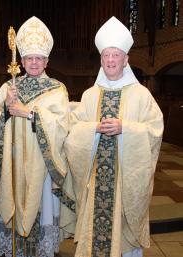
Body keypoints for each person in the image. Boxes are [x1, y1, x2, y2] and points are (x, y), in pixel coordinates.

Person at [65, 16, 164, 257]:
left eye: (116, 55)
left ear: (126, 59)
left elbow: (155, 129)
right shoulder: (90, 95)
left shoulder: (141, 95)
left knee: (123, 238)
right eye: (106, 55)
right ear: (100, 59)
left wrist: (126, 128)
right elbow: (72, 131)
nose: (110, 60)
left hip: (124, 181)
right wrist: (93, 129)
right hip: (95, 179)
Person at [0, 16, 75, 257]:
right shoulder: (9, 87)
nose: (34, 62)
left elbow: (61, 125)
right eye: (30, 58)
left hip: (42, 165)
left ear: (47, 60)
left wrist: (28, 113)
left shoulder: (57, 88)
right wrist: (6, 110)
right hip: (13, 162)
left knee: (42, 208)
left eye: (39, 58)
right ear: (22, 61)